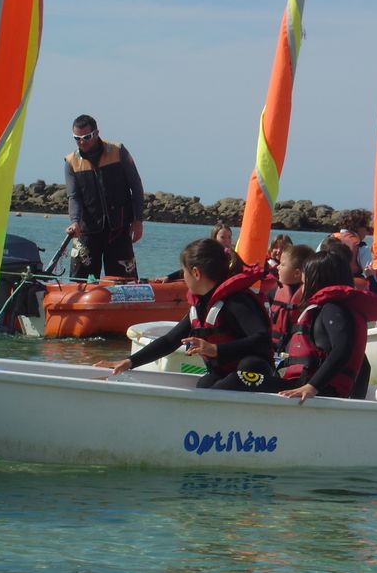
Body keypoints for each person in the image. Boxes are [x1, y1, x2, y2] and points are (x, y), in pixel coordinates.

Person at [209, 250, 377, 404]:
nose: (304, 286)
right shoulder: (338, 309)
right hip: (308, 388)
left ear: (317, 279)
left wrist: (312, 387)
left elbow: (343, 349)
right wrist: (356, 403)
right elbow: (364, 366)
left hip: (312, 391)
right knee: (218, 379)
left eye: (305, 280)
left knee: (237, 380)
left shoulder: (333, 309)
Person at [94, 238, 273, 388]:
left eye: (184, 272)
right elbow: (170, 341)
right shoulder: (200, 307)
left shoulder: (237, 302)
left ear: (196, 273)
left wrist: (215, 349)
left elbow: (262, 340)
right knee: (204, 385)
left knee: (243, 369)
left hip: (255, 374)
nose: (183, 278)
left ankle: (282, 387)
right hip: (223, 374)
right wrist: (129, 362)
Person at [64, 114, 145, 280]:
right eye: (77, 138)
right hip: (87, 230)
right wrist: (74, 221)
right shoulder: (71, 162)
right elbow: (74, 196)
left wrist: (138, 221)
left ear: (96, 133)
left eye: (86, 137)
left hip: (119, 229)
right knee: (80, 279)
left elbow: (136, 187)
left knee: (124, 280)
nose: (82, 142)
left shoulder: (118, 151)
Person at [267, 244, 315, 351]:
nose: (278, 267)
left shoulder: (310, 296)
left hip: (297, 348)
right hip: (273, 347)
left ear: (297, 273)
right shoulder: (272, 292)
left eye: (283, 264)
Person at [159, 223, 238, 282]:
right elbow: (191, 270)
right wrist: (169, 277)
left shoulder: (234, 256)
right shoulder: (209, 255)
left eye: (229, 237)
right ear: (214, 238)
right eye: (222, 237)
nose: (227, 240)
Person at [318, 209, 373, 278]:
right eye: (367, 228)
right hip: (348, 282)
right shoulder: (361, 246)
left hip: (324, 281)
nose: (367, 233)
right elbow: (369, 273)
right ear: (358, 228)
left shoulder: (326, 240)